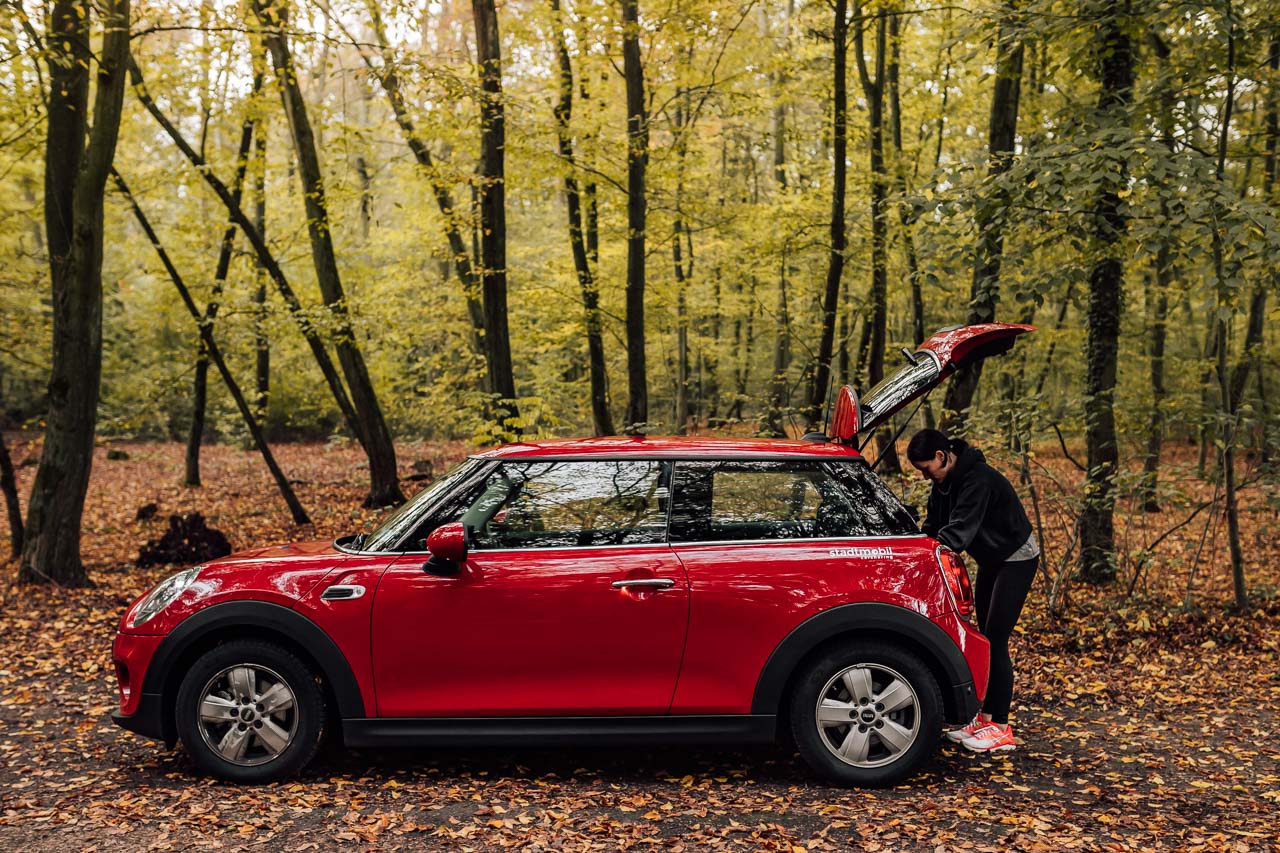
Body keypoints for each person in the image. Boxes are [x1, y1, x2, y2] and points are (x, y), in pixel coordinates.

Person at [906, 428, 1039, 753]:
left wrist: (925, 553)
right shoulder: (944, 484)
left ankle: (1001, 727)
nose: (926, 476)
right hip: (993, 559)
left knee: (996, 638)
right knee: (984, 637)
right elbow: (934, 527)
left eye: (926, 469)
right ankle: (985, 718)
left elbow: (959, 533)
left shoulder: (977, 480)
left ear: (941, 456)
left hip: (1016, 558)